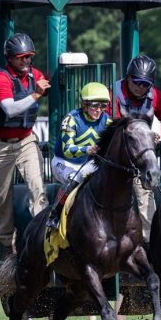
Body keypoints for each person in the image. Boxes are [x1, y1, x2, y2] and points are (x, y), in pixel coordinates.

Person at [0, 33, 50, 258]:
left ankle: (42, 241)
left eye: (28, 57)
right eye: (20, 57)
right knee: (1, 200)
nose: (25, 61)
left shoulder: (37, 75)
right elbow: (10, 109)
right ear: (9, 58)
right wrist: (36, 94)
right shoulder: (0, 78)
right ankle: (7, 249)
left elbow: (49, 87)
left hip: (25, 141)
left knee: (37, 189)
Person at [112, 55, 161, 241]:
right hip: (117, 157)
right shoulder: (114, 93)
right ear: (128, 77)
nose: (140, 87)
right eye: (137, 81)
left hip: (140, 159)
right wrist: (144, 136)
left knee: (145, 200)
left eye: (146, 84)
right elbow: (112, 128)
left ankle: (150, 245)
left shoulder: (155, 95)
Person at [46, 82, 112, 229]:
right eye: (94, 105)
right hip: (64, 162)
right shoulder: (71, 119)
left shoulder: (107, 120)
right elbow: (67, 149)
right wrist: (87, 149)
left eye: (103, 106)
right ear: (84, 104)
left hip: (87, 163)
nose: (99, 110)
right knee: (74, 179)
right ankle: (55, 214)